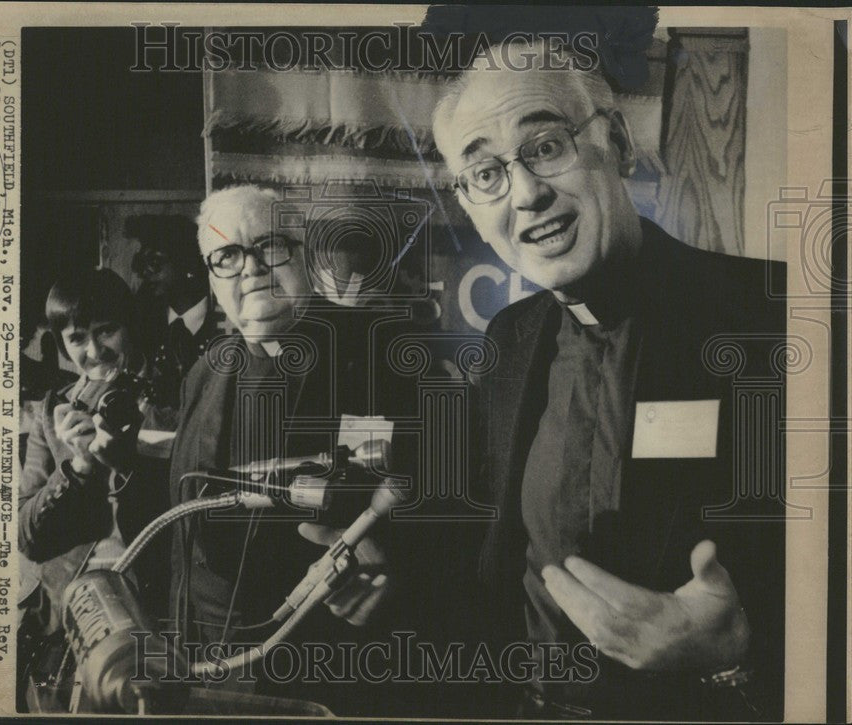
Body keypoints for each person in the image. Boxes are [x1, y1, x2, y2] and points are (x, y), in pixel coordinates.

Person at [430, 40, 785, 720]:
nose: (527, 195)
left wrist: (739, 648)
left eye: (546, 147)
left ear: (617, 142)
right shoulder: (508, 339)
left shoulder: (772, 312)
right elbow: (492, 552)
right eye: (485, 173)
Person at [166, 185, 404, 711]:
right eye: (226, 256)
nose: (249, 269)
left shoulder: (376, 349)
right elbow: (182, 529)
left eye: (270, 246)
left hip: (328, 664)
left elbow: (440, 500)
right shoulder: (203, 374)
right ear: (211, 276)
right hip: (212, 665)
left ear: (306, 255)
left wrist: (394, 568)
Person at [17, 269, 172, 665]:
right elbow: (28, 537)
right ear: (61, 343)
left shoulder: (175, 397)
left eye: (107, 331)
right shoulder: (53, 410)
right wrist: (79, 465)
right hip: (74, 611)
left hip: (155, 606)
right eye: (77, 339)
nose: (95, 351)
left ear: (129, 326)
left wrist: (130, 455)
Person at [131, 215, 216, 419]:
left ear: (187, 262)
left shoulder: (225, 322)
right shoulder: (142, 326)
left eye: (155, 262)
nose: (144, 273)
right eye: (141, 264)